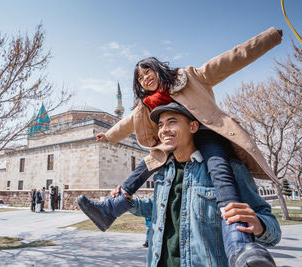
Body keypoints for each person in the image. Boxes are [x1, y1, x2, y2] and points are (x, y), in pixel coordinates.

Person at [77, 27, 282, 267]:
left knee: (220, 172)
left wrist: (269, 38)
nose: (145, 79)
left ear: (157, 68)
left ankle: (239, 245)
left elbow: (232, 58)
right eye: (140, 78)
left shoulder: (189, 78)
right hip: (175, 144)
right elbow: (128, 122)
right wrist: (110, 136)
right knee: (145, 165)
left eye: (147, 72)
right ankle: (111, 208)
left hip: (207, 132)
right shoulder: (148, 107)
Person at [126, 102, 280, 266]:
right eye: (161, 125)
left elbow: (273, 230)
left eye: (172, 122)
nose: (164, 130)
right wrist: (128, 202)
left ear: (193, 126)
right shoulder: (164, 171)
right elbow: (158, 207)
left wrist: (259, 224)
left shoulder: (228, 169)